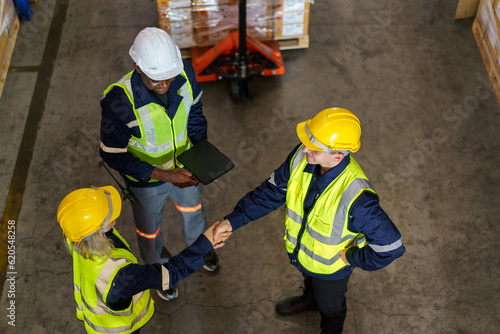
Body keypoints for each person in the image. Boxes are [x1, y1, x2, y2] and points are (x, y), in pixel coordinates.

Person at [213, 108, 405, 334]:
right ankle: (310, 299)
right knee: (309, 281)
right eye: (308, 141)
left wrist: (352, 257)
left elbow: (391, 247)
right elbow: (272, 192)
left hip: (330, 270)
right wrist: (232, 221)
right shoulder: (302, 157)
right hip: (301, 253)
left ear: (338, 156)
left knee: (331, 308)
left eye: (314, 147)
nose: (305, 148)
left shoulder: (358, 199)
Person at [99, 27, 219, 301]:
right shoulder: (119, 102)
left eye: (168, 77)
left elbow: (195, 113)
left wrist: (201, 153)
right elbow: (112, 154)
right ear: (136, 66)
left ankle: (199, 250)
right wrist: (163, 175)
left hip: (187, 169)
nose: (164, 85)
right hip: (146, 183)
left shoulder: (184, 73)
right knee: (149, 230)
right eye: (156, 80)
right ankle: (159, 270)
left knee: (194, 212)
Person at [57, 185, 231, 334]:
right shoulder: (120, 276)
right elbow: (169, 274)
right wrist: (204, 244)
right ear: (96, 230)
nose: (115, 218)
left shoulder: (78, 238)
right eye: (109, 215)